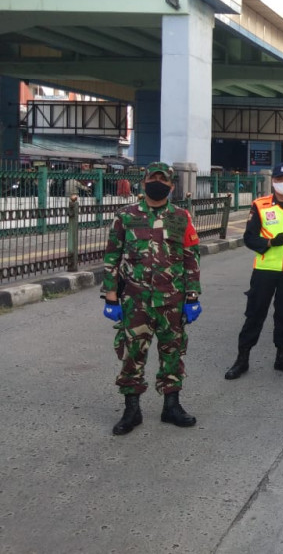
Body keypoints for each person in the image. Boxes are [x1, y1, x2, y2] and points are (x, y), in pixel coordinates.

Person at [101, 162, 202, 435]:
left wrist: (192, 296)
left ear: (171, 186)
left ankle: (172, 406)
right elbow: (112, 257)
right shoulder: (126, 216)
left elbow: (191, 258)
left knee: (173, 353)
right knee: (133, 355)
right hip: (136, 301)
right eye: (153, 178)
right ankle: (131, 411)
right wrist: (111, 298)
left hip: (172, 300)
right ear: (144, 182)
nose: (158, 183)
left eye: (163, 179)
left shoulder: (181, 216)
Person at [224, 163, 283, 380]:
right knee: (255, 314)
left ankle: (282, 357)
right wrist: (270, 243)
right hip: (265, 270)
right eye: (280, 179)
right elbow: (249, 238)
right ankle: (242, 359)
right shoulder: (260, 205)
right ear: (273, 181)